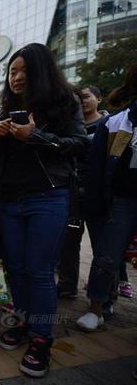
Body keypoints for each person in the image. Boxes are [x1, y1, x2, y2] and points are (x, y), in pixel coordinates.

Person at [0, 43, 88, 378]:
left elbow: (81, 144)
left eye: (24, 71)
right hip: (9, 200)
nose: (17, 77)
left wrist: (35, 136)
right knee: (16, 268)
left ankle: (42, 338)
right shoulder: (7, 105)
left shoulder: (65, 101)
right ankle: (25, 321)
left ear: (40, 71)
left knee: (40, 270)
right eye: (12, 71)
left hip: (48, 196)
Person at [77, 65, 137, 332]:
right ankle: (96, 308)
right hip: (121, 201)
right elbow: (97, 170)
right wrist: (95, 202)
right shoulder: (113, 123)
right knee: (107, 256)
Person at [57, 85, 111, 300]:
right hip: (72, 190)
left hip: (99, 192)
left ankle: (105, 295)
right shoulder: (68, 126)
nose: (82, 101)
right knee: (69, 241)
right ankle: (67, 285)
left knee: (103, 245)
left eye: (87, 97)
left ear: (99, 98)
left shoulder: (109, 125)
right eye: (78, 98)